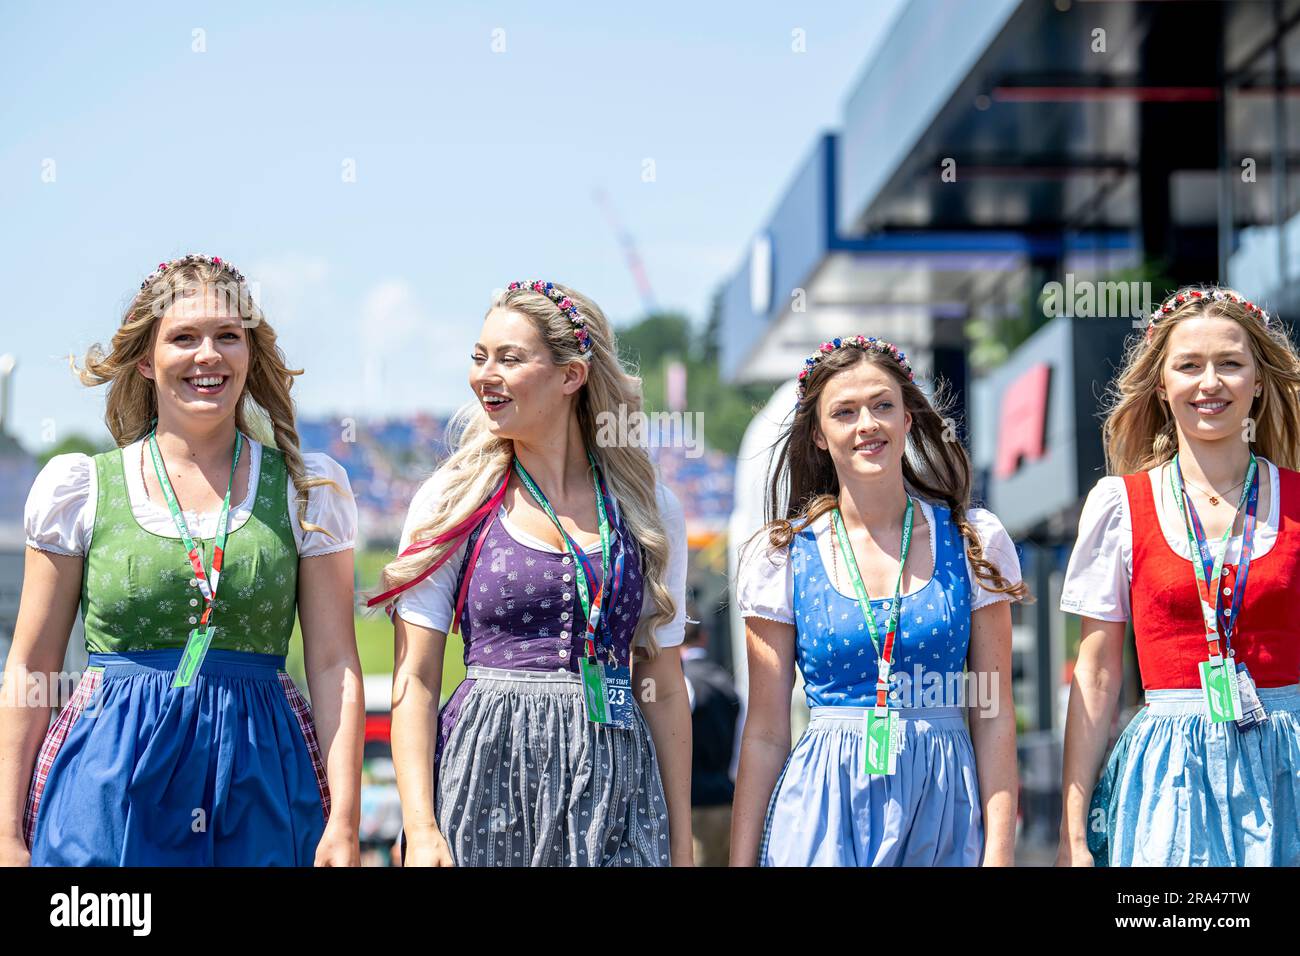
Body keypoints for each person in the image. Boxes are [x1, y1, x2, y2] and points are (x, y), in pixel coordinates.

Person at [0, 254, 364, 866]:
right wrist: (7, 833)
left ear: (250, 353)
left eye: (228, 336)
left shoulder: (307, 491)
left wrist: (346, 822)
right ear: (146, 358)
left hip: (261, 777)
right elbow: (32, 664)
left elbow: (333, 665)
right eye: (184, 337)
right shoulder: (80, 489)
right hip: (109, 776)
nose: (209, 355)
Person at [371, 279, 693, 866]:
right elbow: (415, 681)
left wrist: (680, 841)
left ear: (571, 375)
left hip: (619, 784)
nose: (483, 375)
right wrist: (419, 828)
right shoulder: (453, 499)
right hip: (487, 773)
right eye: (479, 357)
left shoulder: (647, 507)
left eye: (509, 359)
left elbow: (665, 686)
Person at [731, 335, 1023, 866]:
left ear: (908, 419)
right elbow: (767, 731)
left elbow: (994, 713)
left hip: (942, 803)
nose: (867, 423)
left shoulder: (973, 539)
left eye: (883, 405)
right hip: (823, 809)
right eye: (845, 412)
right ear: (819, 435)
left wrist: (999, 856)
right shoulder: (783, 555)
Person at [1058, 286, 1300, 866]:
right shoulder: (1120, 505)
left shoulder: (1297, 500)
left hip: (1288, 756)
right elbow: (1096, 675)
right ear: (1162, 385)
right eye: (1188, 366)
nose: (1209, 383)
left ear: (1260, 381)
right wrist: (1071, 836)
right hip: (1170, 770)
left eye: (1231, 364)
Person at [679, 614, 740, 867]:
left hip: (695, 811)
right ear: (703, 638)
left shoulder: (681, 682)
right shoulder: (727, 682)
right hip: (728, 802)